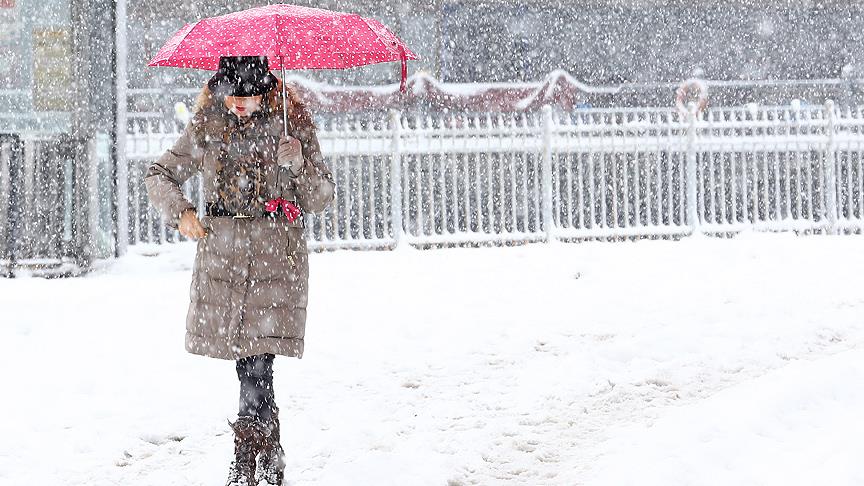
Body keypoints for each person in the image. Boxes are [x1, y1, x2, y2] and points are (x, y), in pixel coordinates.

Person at [144, 56, 336, 486]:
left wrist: (298, 163)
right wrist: (182, 212)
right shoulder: (208, 124)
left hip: (274, 263)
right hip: (225, 263)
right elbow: (159, 174)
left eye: (248, 95)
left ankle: (244, 463)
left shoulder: (291, 124)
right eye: (231, 95)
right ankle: (269, 457)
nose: (239, 104)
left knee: (255, 362)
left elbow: (322, 196)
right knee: (253, 363)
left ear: (264, 89)